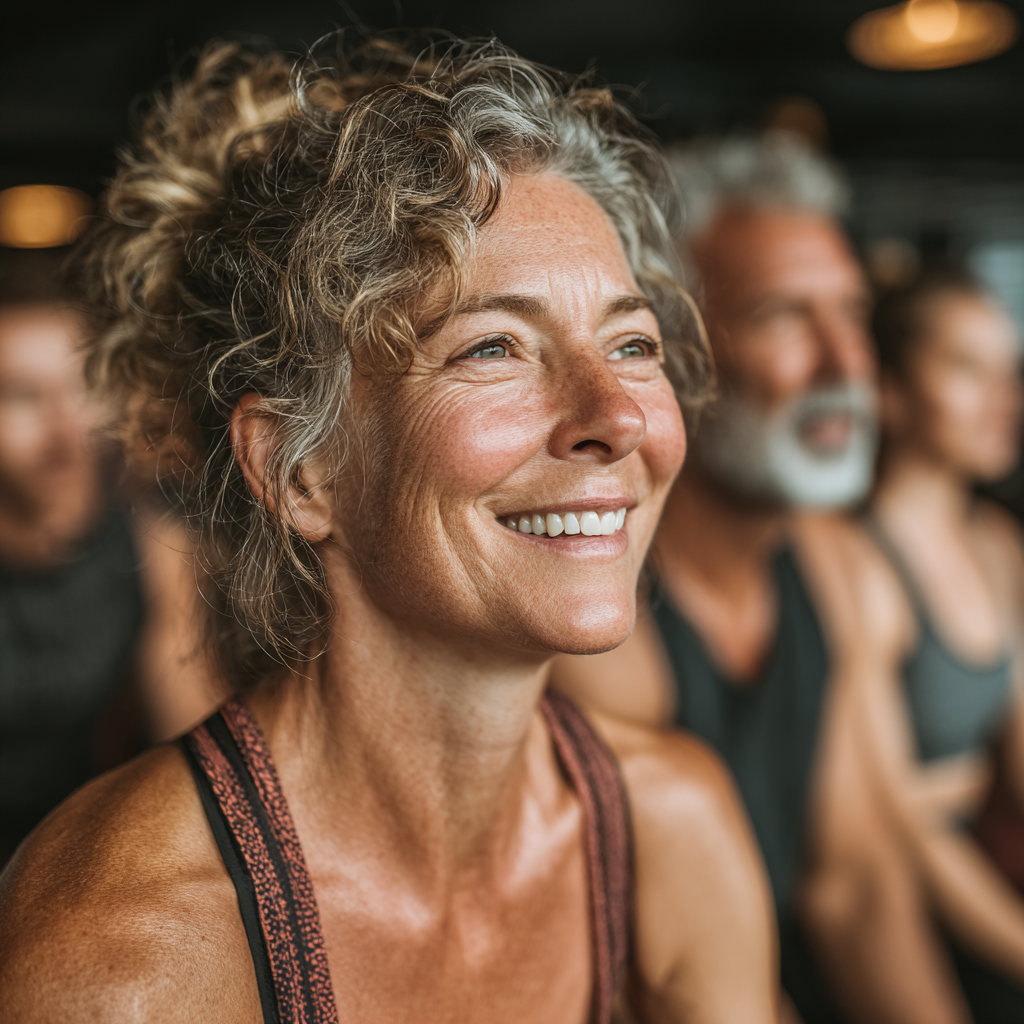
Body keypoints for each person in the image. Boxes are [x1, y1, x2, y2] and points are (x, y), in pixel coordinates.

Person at [0, 39, 778, 1021]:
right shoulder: (124, 949)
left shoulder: (671, 829)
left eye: (631, 343)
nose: (616, 415)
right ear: (301, 469)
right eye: (493, 346)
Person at [553, 133, 969, 1024]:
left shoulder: (838, 571)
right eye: (786, 316)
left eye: (851, 315)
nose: (843, 364)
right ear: (667, 348)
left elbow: (857, 889)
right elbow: (668, 977)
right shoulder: (596, 608)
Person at [0, 251, 216, 864]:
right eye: (22, 396)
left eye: (83, 388)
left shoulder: (148, 538)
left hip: (70, 855)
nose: (64, 433)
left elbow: (195, 741)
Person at [857, 271, 1024, 1022]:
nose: (1005, 401)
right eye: (966, 369)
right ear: (888, 392)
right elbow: (899, 825)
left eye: (1009, 373)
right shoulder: (852, 560)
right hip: (896, 908)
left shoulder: (995, 543)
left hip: (986, 865)